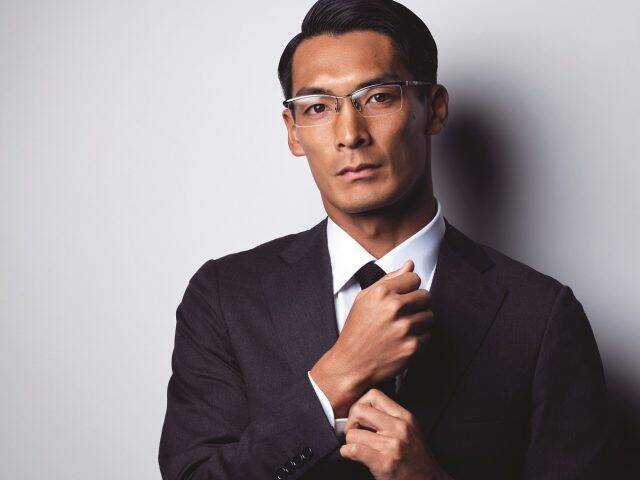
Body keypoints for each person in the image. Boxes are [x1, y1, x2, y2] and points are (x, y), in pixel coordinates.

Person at [158, 1, 615, 478]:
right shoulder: (225, 297)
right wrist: (334, 381)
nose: (350, 134)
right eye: (318, 107)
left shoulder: (542, 316)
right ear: (293, 132)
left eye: (377, 97)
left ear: (434, 109)